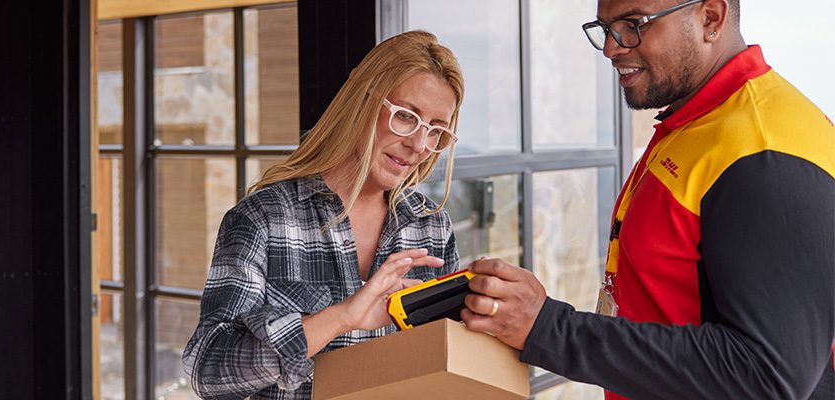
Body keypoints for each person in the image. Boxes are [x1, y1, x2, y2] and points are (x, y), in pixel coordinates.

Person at [460, 0, 834, 399]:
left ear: (710, 18)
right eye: (604, 27)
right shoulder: (697, 121)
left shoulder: (764, 152)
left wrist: (549, 329)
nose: (611, 47)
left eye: (634, 23)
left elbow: (767, 376)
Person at [181, 31, 465, 400]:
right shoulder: (265, 218)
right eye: (406, 117)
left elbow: (446, 365)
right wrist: (342, 317)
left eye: (436, 132)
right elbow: (207, 370)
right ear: (362, 101)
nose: (418, 145)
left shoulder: (431, 228)